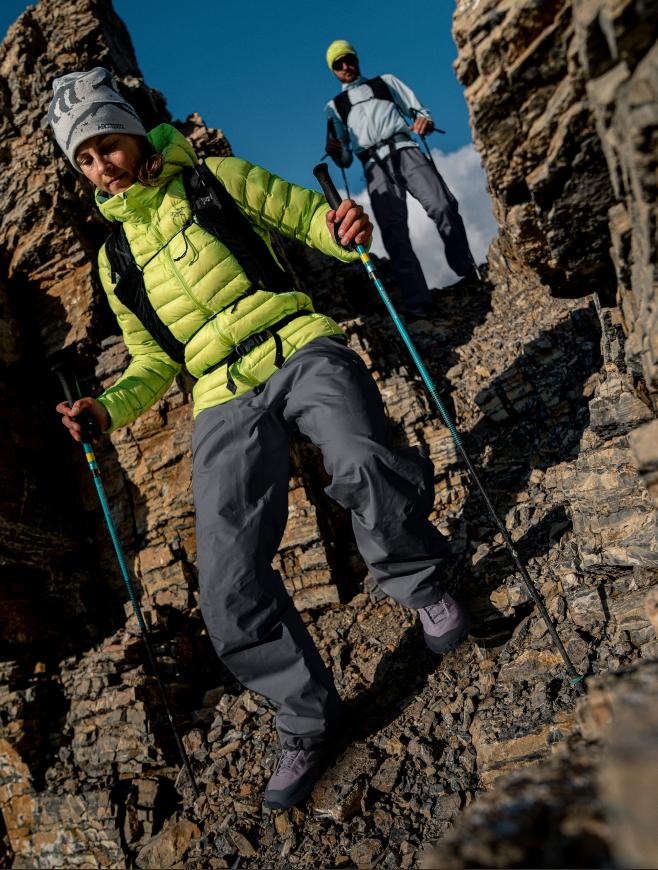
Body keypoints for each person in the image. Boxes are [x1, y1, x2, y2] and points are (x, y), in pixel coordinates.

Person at [49, 67, 468, 810]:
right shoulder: (115, 263)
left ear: (133, 131)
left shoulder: (213, 179)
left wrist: (346, 233)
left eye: (104, 146)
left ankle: (421, 581)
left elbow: (310, 219)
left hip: (294, 340)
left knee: (361, 458)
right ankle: (307, 716)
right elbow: (153, 362)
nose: (99, 168)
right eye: (82, 160)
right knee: (226, 581)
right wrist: (106, 411)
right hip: (215, 395)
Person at [324, 40, 478, 318]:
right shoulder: (334, 107)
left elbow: (419, 111)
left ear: (356, 59)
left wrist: (424, 121)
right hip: (372, 164)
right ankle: (419, 302)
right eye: (338, 64)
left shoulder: (386, 82)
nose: (346, 66)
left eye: (348, 59)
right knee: (394, 232)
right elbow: (344, 157)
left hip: (405, 149)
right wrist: (336, 154)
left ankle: (467, 270)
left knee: (442, 204)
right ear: (333, 70)